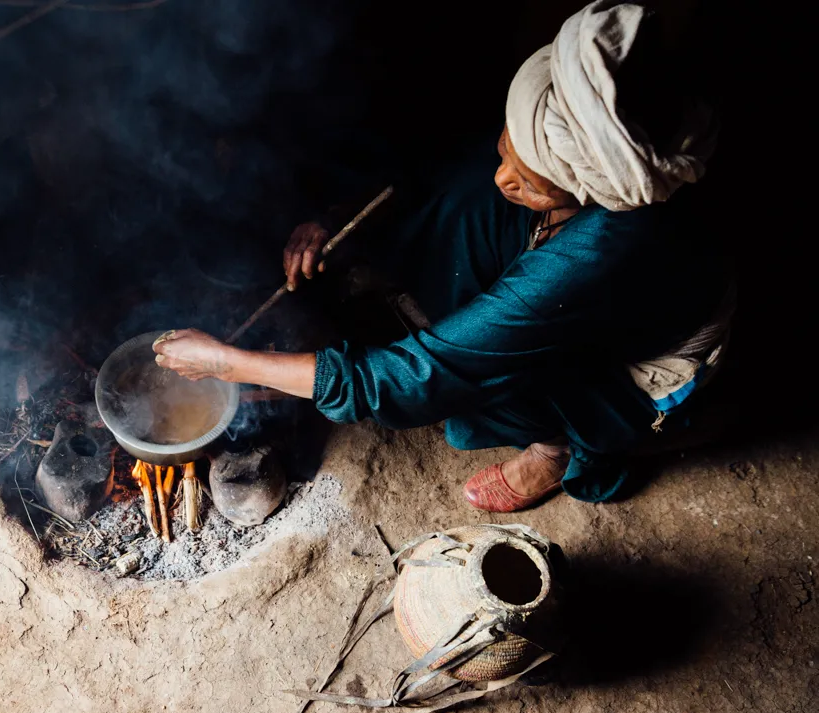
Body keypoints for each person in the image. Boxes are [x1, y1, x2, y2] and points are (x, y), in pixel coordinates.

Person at [153, 0, 727, 512]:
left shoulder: (597, 253)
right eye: (506, 150)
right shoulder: (567, 120)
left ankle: (559, 449)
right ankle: (455, 314)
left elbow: (402, 382)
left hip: (633, 365)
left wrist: (225, 363)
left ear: (588, 188)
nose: (504, 177)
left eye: (529, 182)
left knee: (471, 398)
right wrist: (335, 221)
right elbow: (425, 176)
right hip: (575, 287)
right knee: (463, 196)